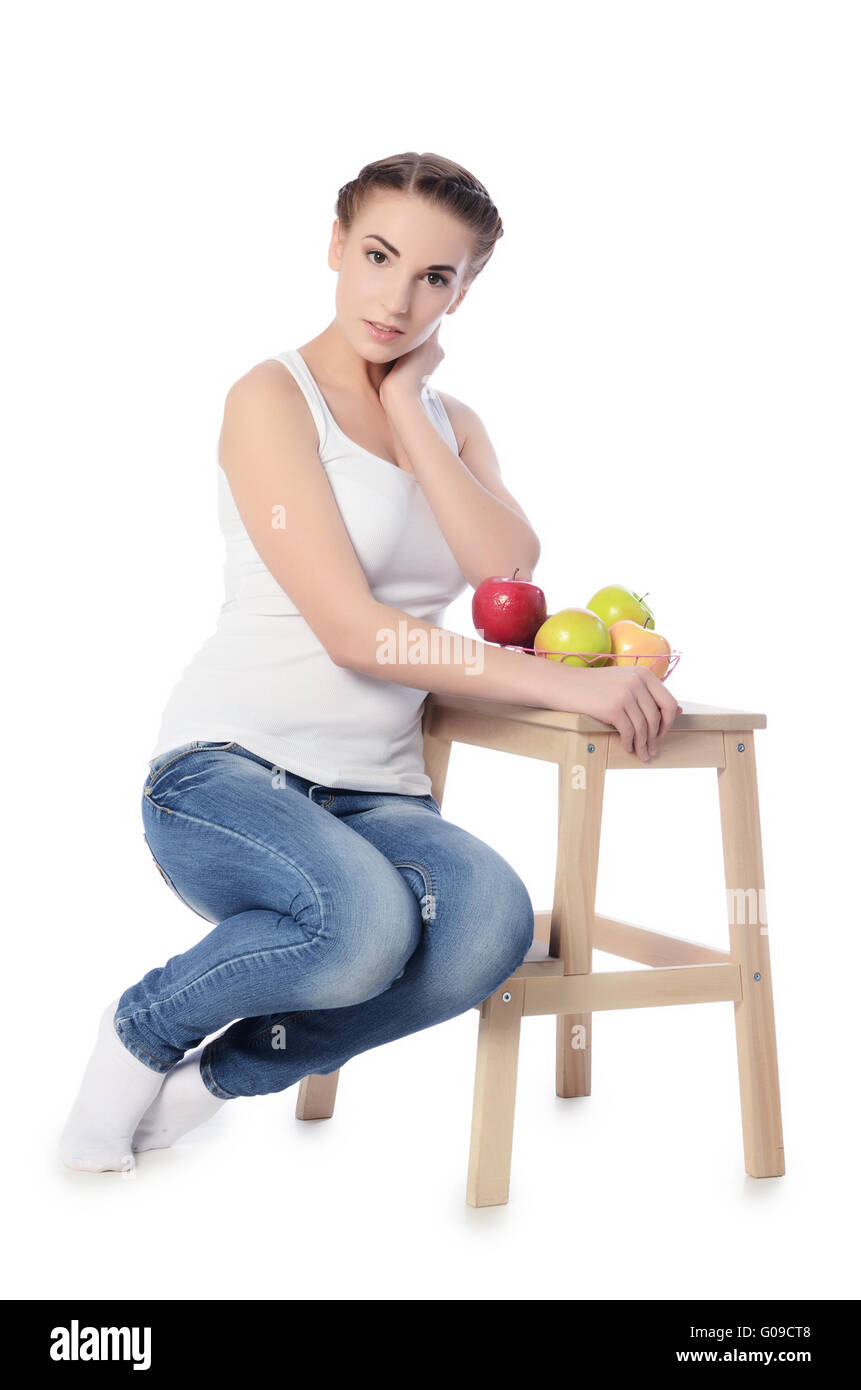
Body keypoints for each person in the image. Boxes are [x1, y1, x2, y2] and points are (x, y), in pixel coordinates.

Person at [60, 150, 681, 1174]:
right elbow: (355, 630)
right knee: (364, 929)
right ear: (336, 246)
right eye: (380, 257)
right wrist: (574, 683)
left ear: (464, 289)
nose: (398, 298)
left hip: (378, 790)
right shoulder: (271, 395)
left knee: (485, 927)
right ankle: (141, 1033)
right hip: (227, 768)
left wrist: (405, 411)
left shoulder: (454, 423)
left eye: (435, 277)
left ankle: (219, 1078)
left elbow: (505, 569)